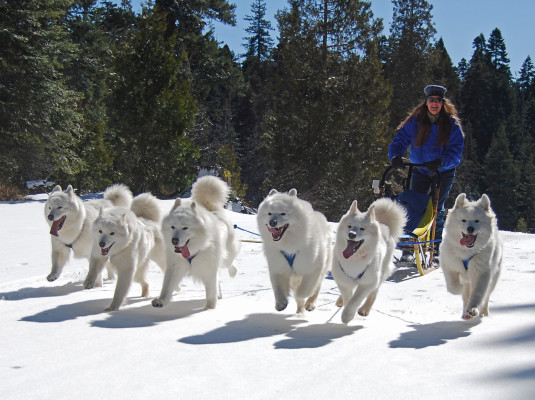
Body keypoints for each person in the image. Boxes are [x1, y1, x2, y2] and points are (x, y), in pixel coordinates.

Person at [388, 84, 464, 240]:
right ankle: (411, 245)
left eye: (438, 100)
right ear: (426, 102)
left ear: (443, 103)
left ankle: (434, 245)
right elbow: (400, 139)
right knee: (415, 206)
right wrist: (395, 156)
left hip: (442, 171)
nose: (434, 104)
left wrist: (441, 162)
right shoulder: (416, 121)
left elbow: (456, 151)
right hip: (420, 170)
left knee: (436, 207)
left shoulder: (451, 124)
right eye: (431, 100)